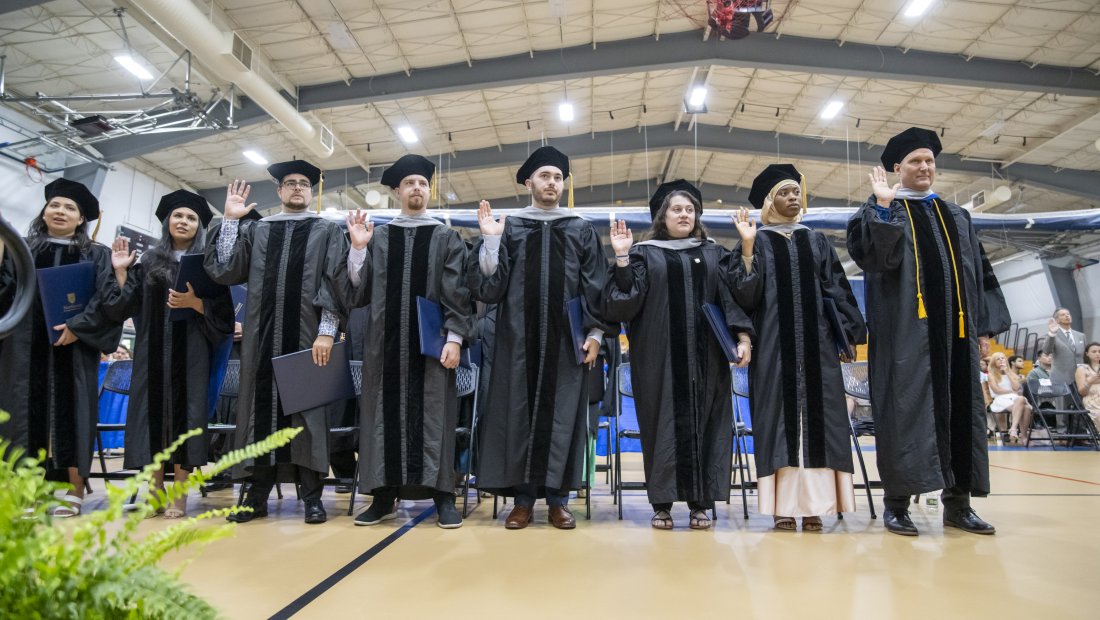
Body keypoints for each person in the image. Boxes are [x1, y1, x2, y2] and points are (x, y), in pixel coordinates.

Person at [846, 127, 1011, 537]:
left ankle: (959, 503)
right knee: (904, 412)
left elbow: (979, 273)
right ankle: (896, 504)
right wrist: (884, 209)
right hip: (904, 335)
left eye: (930, 161)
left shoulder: (956, 215)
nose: (925, 167)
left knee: (961, 411)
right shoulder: (878, 210)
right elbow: (875, 260)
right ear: (896, 167)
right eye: (916, 161)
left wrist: (984, 329)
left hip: (956, 335)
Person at [468, 146, 612, 530]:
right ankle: (523, 501)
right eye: (545, 176)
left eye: (558, 177)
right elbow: (489, 287)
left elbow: (595, 286)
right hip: (517, 342)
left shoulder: (580, 228)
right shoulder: (511, 226)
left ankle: (559, 501)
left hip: (567, 344)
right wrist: (491, 242)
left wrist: (596, 334)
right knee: (517, 416)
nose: (552, 183)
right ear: (529, 182)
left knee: (564, 418)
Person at [204, 160, 350, 525]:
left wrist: (327, 331)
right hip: (261, 339)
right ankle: (255, 496)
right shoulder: (258, 230)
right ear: (280, 191)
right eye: (290, 183)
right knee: (259, 415)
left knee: (307, 415)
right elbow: (225, 270)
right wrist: (231, 221)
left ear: (311, 191)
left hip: (307, 336)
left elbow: (334, 285)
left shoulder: (326, 231)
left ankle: (313, 496)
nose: (297, 187)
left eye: (303, 183)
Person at [602, 180, 753, 530]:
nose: (684, 214)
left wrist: (743, 337)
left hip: (708, 360)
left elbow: (734, 299)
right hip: (658, 360)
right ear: (662, 216)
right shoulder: (644, 253)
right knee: (660, 425)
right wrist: (622, 257)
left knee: (708, 423)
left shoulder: (715, 253)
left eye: (689, 209)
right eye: (676, 209)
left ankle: (701, 504)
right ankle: (662, 504)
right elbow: (623, 304)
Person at [730, 164, 867, 532]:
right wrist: (745, 247)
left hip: (818, 348)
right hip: (773, 350)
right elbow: (743, 295)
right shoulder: (755, 241)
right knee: (778, 423)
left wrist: (847, 335)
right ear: (770, 201)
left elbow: (837, 289)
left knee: (821, 422)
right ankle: (782, 507)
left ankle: (815, 507)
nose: (793, 198)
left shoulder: (816, 240)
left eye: (796, 192)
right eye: (784, 193)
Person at [345, 154, 474, 529]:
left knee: (436, 417)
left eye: (423, 183)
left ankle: (443, 496)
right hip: (383, 346)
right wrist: (357, 249)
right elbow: (358, 291)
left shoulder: (446, 237)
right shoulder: (378, 236)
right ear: (397, 191)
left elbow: (458, 292)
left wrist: (455, 339)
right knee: (381, 418)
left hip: (431, 348)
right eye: (410, 183)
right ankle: (383, 496)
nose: (417, 188)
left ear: (428, 190)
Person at [103, 190, 234, 518]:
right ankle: (154, 490)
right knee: (152, 419)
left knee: (186, 419)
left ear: (199, 226)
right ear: (167, 221)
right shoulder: (148, 261)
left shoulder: (209, 265)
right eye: (178, 216)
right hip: (152, 353)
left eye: (191, 217)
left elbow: (225, 317)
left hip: (192, 354)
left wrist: (196, 304)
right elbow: (126, 305)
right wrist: (120, 273)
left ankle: (179, 495)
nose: (184, 221)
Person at [0, 178, 122, 517]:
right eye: (54, 204)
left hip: (75, 348)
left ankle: (73, 490)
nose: (60, 211)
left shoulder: (96, 255)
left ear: (81, 218)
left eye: (69, 207)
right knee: (22, 415)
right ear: (44, 210)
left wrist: (77, 327)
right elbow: (5, 294)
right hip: (25, 348)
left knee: (74, 413)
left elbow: (104, 299)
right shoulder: (20, 250)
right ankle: (24, 491)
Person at [986, 352, 1033, 443]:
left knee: (1025, 405)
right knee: (1023, 402)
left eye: (1003, 358)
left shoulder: (1011, 373)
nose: (1001, 360)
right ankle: (1019, 432)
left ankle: (1018, 432)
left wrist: (1007, 372)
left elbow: (1017, 388)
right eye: (998, 359)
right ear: (994, 362)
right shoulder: (991, 375)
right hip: (1000, 398)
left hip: (1014, 399)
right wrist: (1011, 391)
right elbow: (996, 390)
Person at [1042, 308, 1086, 386]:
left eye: (1068, 314)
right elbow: (1046, 351)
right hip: (1062, 379)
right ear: (1057, 320)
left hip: (1081, 378)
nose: (1067, 316)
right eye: (1063, 315)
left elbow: (1086, 355)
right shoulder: (1052, 335)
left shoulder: (1081, 336)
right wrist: (1052, 334)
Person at [1075, 342, 1100, 428]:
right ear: (1087, 354)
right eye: (1094, 351)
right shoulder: (1082, 369)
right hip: (1092, 400)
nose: (1097, 354)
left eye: (1099, 351)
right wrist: (1090, 381)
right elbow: (1082, 392)